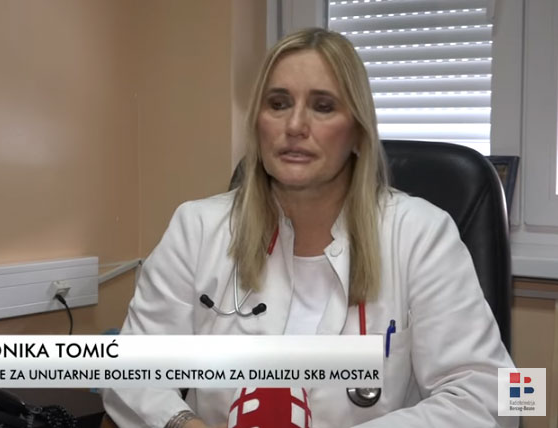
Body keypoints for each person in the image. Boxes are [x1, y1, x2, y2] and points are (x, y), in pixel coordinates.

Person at [102, 28, 517, 428]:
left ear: (358, 132)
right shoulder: (197, 229)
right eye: (278, 103)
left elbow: (491, 397)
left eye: (323, 106)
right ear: (258, 123)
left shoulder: (421, 236)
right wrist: (184, 424)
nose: (295, 125)